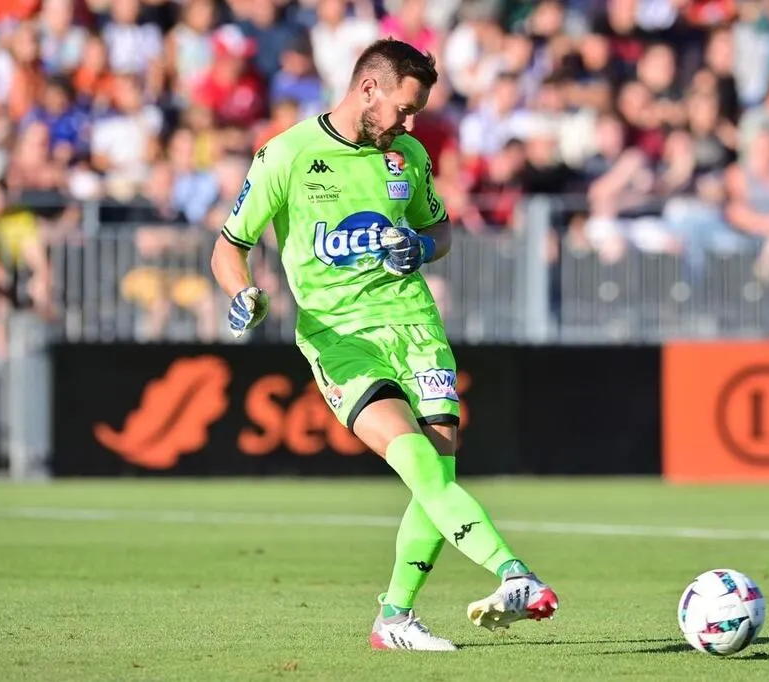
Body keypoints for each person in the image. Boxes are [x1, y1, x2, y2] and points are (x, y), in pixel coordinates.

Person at [210, 38, 559, 652]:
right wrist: (242, 293)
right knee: (421, 467)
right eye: (404, 108)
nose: (409, 122)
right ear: (368, 88)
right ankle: (515, 573)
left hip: (418, 328)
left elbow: (439, 229)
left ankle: (394, 618)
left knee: (440, 473)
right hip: (341, 340)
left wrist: (420, 248)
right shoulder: (287, 154)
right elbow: (228, 246)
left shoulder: (408, 155)